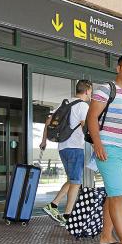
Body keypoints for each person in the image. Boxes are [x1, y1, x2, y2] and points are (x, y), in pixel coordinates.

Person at [86, 54, 122, 244]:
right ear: (118, 68)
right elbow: (92, 117)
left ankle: (106, 237)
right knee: (117, 196)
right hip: (110, 151)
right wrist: (98, 144)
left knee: (114, 196)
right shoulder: (106, 89)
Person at [39, 80, 92, 226]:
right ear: (87, 91)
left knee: (72, 180)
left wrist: (44, 141)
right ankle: (63, 213)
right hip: (75, 148)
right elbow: (85, 127)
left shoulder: (64, 103)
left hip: (63, 147)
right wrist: (95, 142)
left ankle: (58, 209)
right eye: (90, 92)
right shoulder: (82, 106)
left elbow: (48, 122)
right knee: (76, 182)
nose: (90, 95)